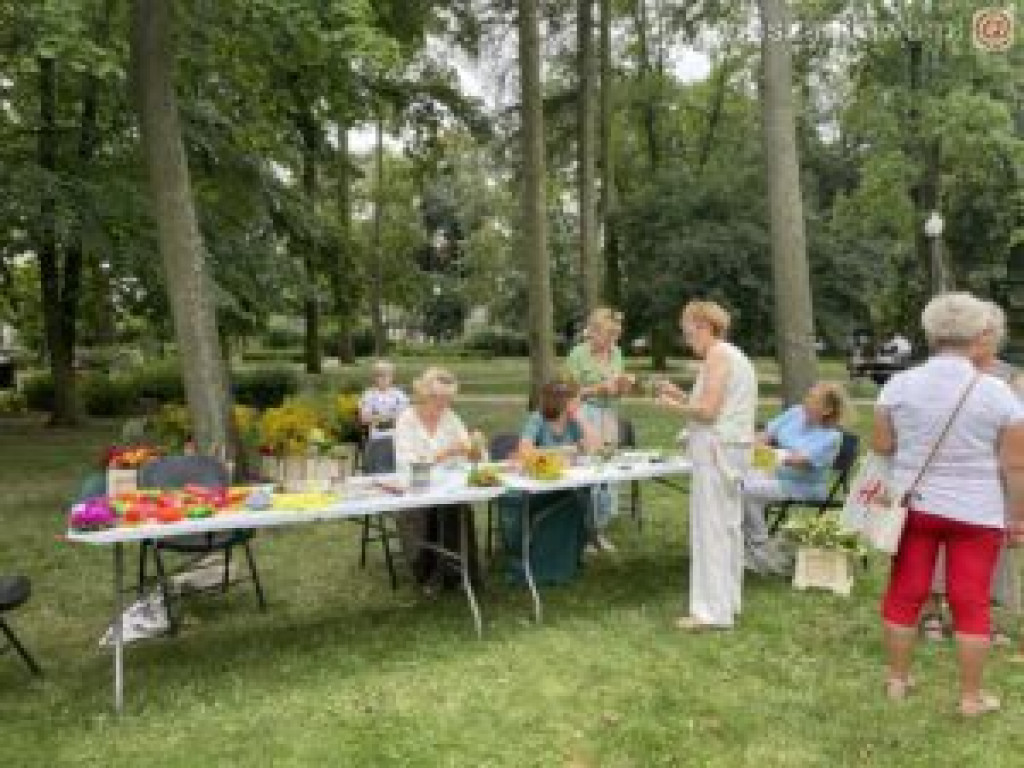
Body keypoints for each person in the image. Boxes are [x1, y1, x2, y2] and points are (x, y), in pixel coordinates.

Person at [873, 292, 1024, 717]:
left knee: (905, 593)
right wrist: (1018, 517)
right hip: (977, 511)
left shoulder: (899, 385)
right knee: (971, 601)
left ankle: (898, 681)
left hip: (915, 506)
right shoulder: (997, 392)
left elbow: (882, 446)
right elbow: (1015, 465)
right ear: (978, 335)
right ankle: (971, 697)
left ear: (930, 332)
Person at [655, 300, 758, 631]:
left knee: (711, 530)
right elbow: (715, 405)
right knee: (728, 527)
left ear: (702, 326)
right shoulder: (733, 356)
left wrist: (673, 407)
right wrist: (684, 397)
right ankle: (727, 602)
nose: (688, 341)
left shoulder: (717, 356)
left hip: (716, 453)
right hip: (731, 450)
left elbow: (709, 413)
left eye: (688, 332)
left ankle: (711, 612)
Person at [497, 377, 600, 585]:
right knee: (577, 497)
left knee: (581, 494)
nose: (580, 402)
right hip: (538, 487)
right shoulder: (538, 419)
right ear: (564, 401)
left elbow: (596, 446)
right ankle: (546, 562)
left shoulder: (573, 422)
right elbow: (525, 451)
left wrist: (579, 418)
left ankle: (567, 556)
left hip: (566, 482)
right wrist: (563, 451)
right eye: (577, 399)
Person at [742, 382, 847, 575]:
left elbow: (798, 461)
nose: (806, 402)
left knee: (746, 490)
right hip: (774, 473)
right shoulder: (795, 412)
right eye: (808, 396)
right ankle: (739, 544)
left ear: (828, 409)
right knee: (732, 479)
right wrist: (751, 446)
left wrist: (760, 453)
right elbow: (765, 435)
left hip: (803, 485)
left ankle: (760, 549)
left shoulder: (831, 437)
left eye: (813, 400)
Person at [393, 367, 480, 592]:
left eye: (447, 398)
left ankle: (459, 572)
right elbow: (407, 465)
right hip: (414, 487)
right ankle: (430, 573)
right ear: (423, 394)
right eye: (437, 397)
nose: (443, 403)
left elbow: (467, 455)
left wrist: (474, 449)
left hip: (448, 485)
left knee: (459, 508)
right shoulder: (407, 419)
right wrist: (444, 454)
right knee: (429, 510)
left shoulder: (451, 417)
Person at [566, 307, 634, 552]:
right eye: (608, 335)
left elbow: (617, 387)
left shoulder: (616, 353)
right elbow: (570, 393)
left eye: (616, 335)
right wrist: (599, 389)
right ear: (593, 332)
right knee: (588, 471)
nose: (612, 341)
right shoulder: (577, 355)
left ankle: (599, 529)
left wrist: (623, 386)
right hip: (585, 413)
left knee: (609, 470)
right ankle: (583, 532)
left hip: (608, 415)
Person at [359, 360, 409, 440]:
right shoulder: (369, 395)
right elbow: (364, 418)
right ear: (374, 378)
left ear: (392, 377)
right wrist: (390, 416)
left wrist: (378, 417)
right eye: (380, 376)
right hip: (377, 436)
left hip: (397, 435)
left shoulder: (399, 395)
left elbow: (405, 415)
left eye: (388, 375)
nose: (384, 378)